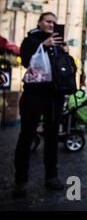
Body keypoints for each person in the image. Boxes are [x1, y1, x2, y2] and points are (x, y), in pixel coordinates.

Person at [13, 12, 69, 197]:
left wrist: (65, 54)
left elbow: (67, 70)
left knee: (52, 137)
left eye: (54, 22)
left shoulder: (59, 45)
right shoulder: (30, 40)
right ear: (39, 23)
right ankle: (20, 180)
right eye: (48, 21)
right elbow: (27, 61)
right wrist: (43, 46)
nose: (51, 25)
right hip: (34, 95)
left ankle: (51, 177)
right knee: (26, 136)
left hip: (54, 97)